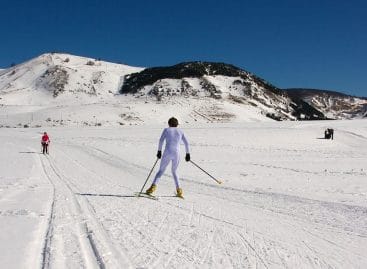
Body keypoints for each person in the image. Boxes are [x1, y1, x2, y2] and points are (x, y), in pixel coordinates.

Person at [146, 117, 190, 198]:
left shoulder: (166, 130)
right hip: (177, 153)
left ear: (169, 124)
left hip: (167, 152)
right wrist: (187, 154)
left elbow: (161, 140)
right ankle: (179, 190)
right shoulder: (181, 131)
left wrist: (159, 151)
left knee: (161, 171)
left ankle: (152, 188)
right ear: (177, 124)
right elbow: (187, 143)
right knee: (174, 171)